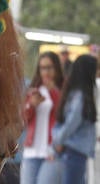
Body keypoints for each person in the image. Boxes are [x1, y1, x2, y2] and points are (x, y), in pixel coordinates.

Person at [51, 53, 97, 184]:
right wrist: (58, 142)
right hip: (74, 151)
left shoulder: (74, 93)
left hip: (72, 151)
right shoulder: (82, 97)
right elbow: (72, 123)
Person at [20, 51, 64, 184]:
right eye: (42, 68)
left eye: (49, 67)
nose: (46, 72)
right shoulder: (34, 91)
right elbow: (23, 120)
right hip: (31, 151)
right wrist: (31, 105)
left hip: (52, 150)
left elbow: (64, 116)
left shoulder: (62, 90)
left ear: (56, 68)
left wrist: (53, 92)